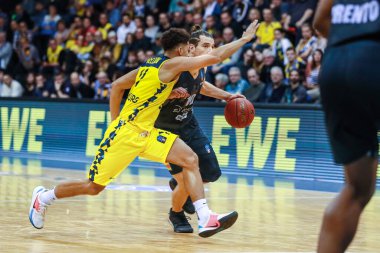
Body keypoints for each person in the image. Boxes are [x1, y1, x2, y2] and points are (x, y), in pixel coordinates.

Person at [29, 21, 260, 238]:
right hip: (126, 134)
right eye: (189, 49)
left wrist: (116, 116)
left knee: (190, 159)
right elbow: (217, 56)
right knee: (93, 187)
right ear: (182, 49)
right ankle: (43, 197)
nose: (194, 52)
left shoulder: (152, 64)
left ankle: (205, 217)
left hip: (148, 131)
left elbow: (118, 85)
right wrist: (244, 39)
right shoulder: (172, 64)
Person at [314, 0, 380, 252]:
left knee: (357, 188)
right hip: (374, 57)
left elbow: (319, 20)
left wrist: (353, 49)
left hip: (335, 65)